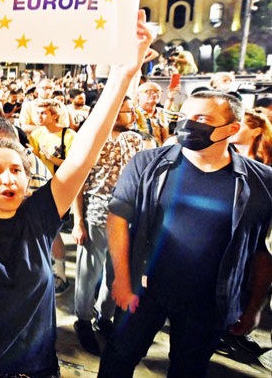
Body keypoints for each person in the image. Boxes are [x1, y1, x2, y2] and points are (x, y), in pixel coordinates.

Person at [0, 11, 152, 376]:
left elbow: (84, 151)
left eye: (16, 170)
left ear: (28, 179)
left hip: (33, 369)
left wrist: (122, 76)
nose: (7, 178)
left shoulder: (40, 215)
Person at [98, 91, 272, 377]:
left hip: (208, 300)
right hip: (145, 290)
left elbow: (262, 252)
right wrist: (121, 279)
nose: (189, 125)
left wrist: (254, 308)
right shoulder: (147, 165)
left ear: (232, 129)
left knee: (189, 368)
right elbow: (118, 218)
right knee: (119, 356)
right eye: (184, 117)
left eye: (201, 119)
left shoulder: (261, 182)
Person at [71, 96, 144, 355]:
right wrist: (78, 221)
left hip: (127, 219)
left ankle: (105, 317)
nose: (133, 115)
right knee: (88, 272)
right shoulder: (90, 139)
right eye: (127, 110)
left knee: (115, 272)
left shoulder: (136, 139)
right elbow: (77, 183)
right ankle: (82, 319)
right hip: (95, 215)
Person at [28, 99, 79, 295]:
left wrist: (50, 158)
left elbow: (74, 164)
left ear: (54, 115)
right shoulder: (36, 134)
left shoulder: (68, 135)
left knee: (54, 233)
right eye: (37, 113)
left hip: (59, 189)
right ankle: (44, 272)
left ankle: (61, 276)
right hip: (39, 188)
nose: (38, 117)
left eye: (43, 113)